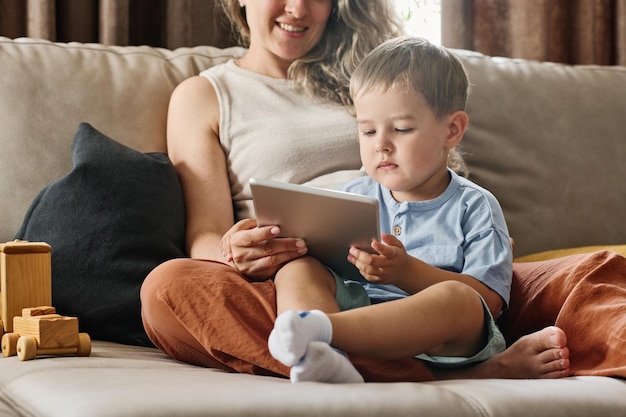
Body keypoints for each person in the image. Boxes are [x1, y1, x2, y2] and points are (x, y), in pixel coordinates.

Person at [140, 0, 573, 382]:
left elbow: (478, 284)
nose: (298, 9)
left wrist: (452, 260)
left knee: (592, 274)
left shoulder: (380, 72)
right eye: (365, 130)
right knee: (165, 289)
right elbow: (204, 236)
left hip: (446, 271)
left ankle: (322, 347)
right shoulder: (205, 95)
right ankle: (336, 348)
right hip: (316, 283)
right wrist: (237, 251)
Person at [268, 36, 516, 383]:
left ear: (452, 130)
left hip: (440, 341)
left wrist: (406, 272)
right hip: (362, 319)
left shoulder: (475, 205)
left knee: (459, 299)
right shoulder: (353, 196)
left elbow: (488, 302)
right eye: (367, 131)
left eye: (401, 129)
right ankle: (321, 356)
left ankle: (320, 333)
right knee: (299, 268)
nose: (381, 144)